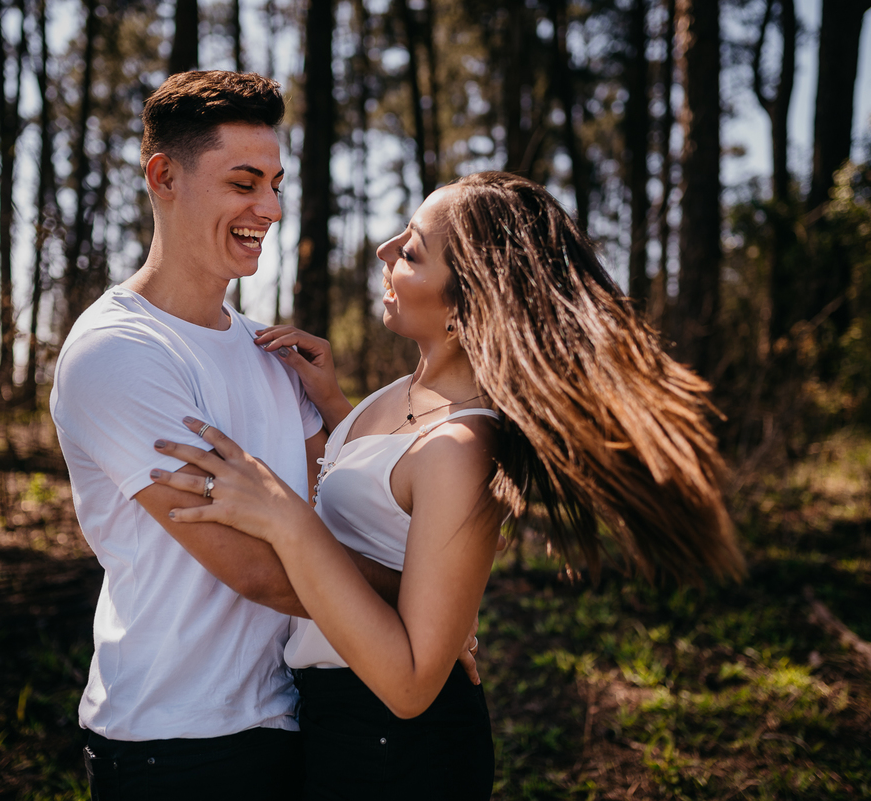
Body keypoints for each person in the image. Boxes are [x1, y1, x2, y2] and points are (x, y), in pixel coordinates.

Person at [149, 171, 747, 799]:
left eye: (410, 251)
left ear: (465, 306)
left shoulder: (464, 448)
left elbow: (410, 686)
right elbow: (380, 503)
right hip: (327, 715)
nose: (384, 251)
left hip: (395, 746)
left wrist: (286, 519)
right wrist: (332, 406)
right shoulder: (406, 396)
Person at [49, 70, 408, 800]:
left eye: (276, 183)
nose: (269, 208)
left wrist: (337, 405)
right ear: (164, 176)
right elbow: (256, 567)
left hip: (290, 716)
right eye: (245, 183)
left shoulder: (271, 354)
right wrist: (424, 606)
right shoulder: (120, 353)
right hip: (175, 746)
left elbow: (342, 503)